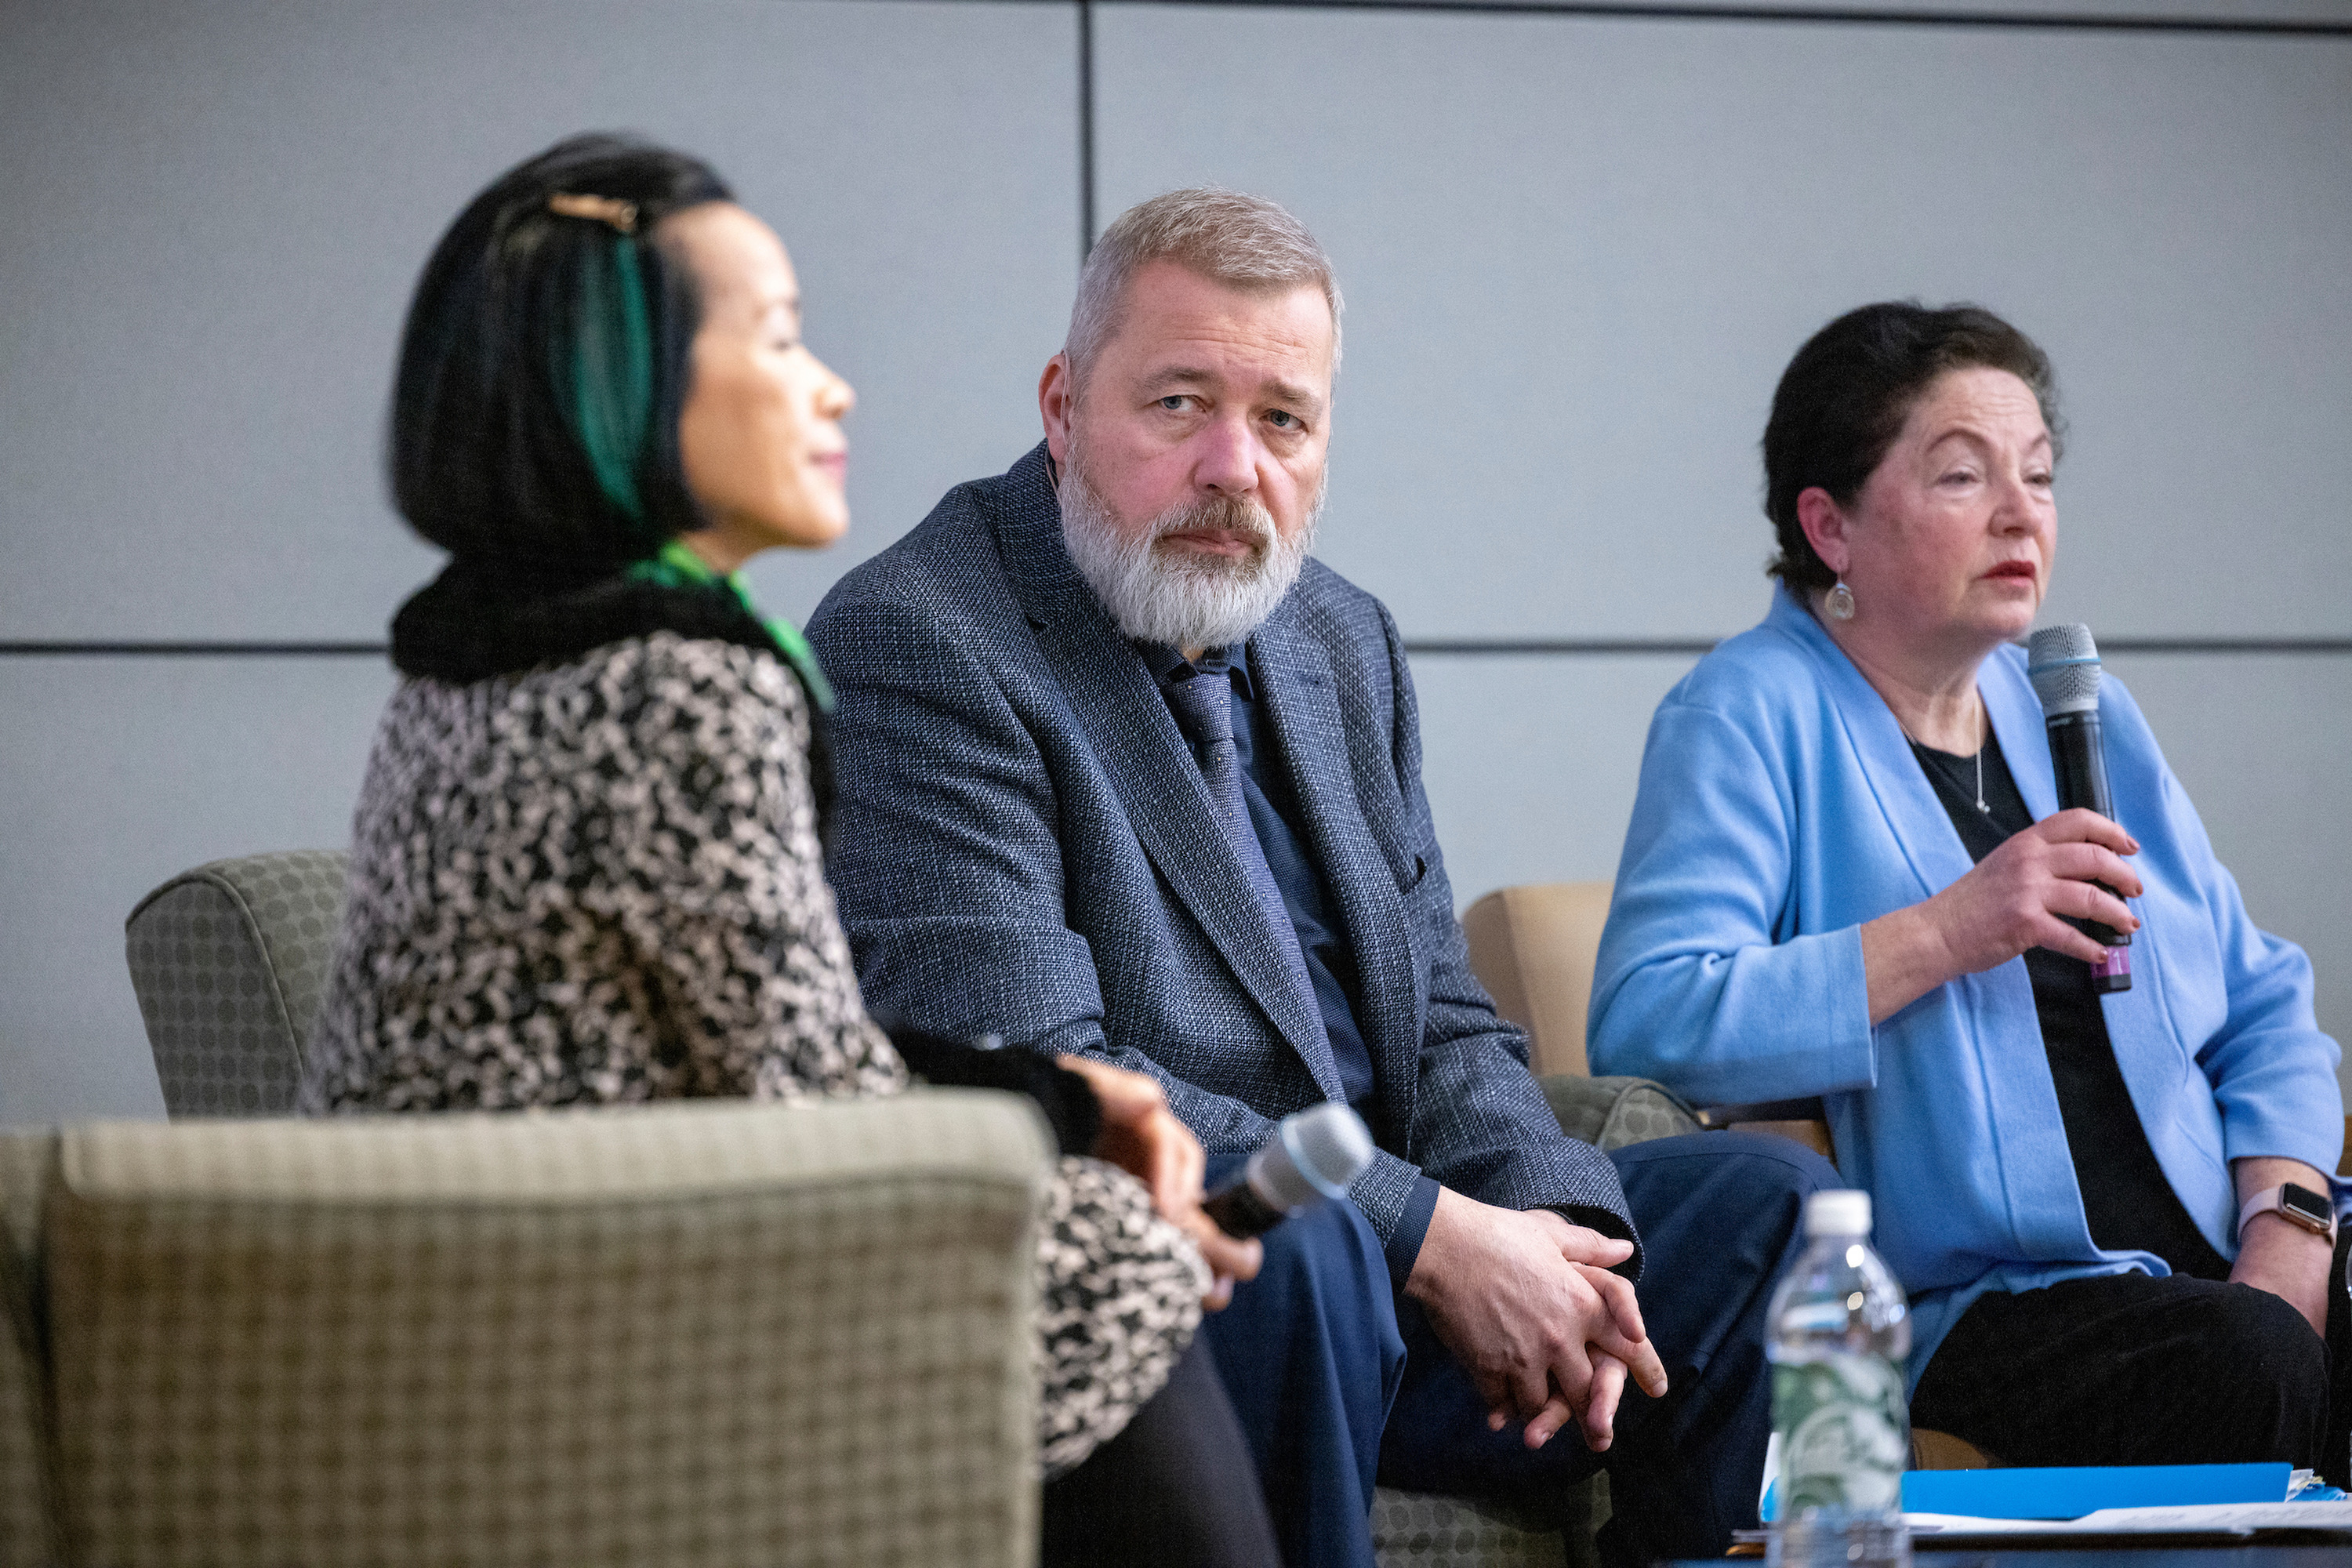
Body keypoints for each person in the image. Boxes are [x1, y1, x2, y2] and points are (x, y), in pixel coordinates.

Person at [805, 187, 1834, 1568]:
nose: (1234, 467)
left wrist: (1546, 1240)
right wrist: (1427, 1237)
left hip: (1396, 1272)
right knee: (1314, 1251)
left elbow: (1443, 1021)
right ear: (1063, 407)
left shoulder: (1339, 637)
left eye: (1283, 419)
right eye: (1180, 405)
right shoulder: (924, 638)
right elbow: (1040, 1074)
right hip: (1196, 1283)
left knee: (1766, 1211)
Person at [296, 133, 1279, 1567]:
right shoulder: (684, 686)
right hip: (578, 1324)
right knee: (1116, 1260)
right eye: (777, 339)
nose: (833, 386)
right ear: (624, 385)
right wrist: (1069, 1119)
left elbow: (770, 1045)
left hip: (466, 1292)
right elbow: (815, 1108)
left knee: (1093, 1227)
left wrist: (1067, 1095)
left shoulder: (486, 653)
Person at [1588, 300, 2348, 1483]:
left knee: (2261, 1340)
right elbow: (1652, 1014)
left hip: (2225, 1264)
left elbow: (2261, 1005)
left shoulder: (2078, 712)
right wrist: (1953, 928)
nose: (2020, 513)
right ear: (1830, 526)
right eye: (1962, 476)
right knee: (2244, 1360)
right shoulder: (1746, 712)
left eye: (2037, 476)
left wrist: (2289, 1231)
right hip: (1983, 1306)